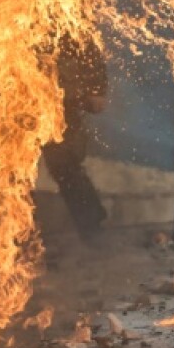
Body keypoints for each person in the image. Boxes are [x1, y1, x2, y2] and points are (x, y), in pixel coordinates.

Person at [41, 33, 110, 242]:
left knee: (66, 166)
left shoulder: (67, 11)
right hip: (17, 98)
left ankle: (93, 228)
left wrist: (97, 89)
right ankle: (11, 242)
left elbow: (88, 48)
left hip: (62, 104)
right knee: (7, 170)